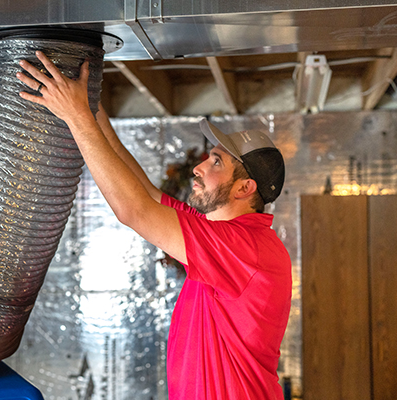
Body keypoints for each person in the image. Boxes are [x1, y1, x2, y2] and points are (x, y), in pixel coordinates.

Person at [17, 52, 292, 400]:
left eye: (217, 162)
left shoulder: (246, 249)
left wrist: (75, 116)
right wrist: (89, 103)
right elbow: (145, 193)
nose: (199, 167)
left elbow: (134, 210)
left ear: (244, 189)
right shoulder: (221, 235)